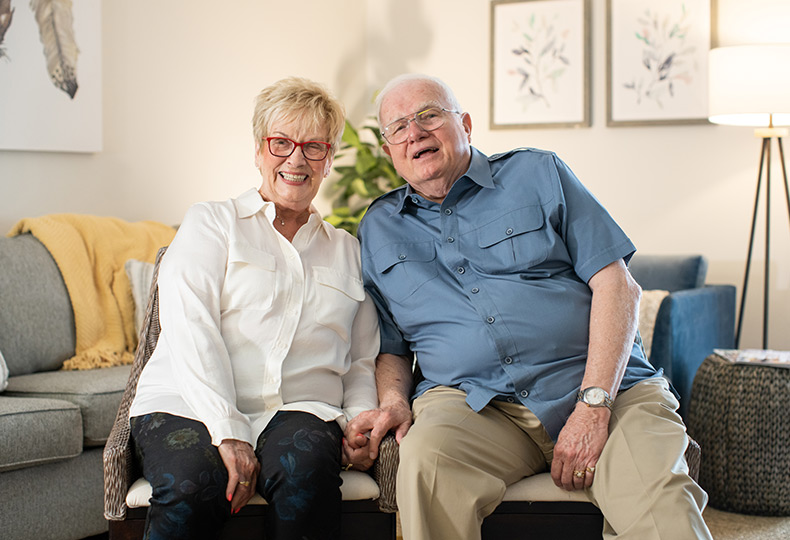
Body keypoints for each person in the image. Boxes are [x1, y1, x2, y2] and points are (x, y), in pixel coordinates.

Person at [348, 73, 713, 540]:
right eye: (398, 127)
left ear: (465, 124)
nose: (414, 132)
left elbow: (618, 286)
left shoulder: (537, 173)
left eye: (428, 115)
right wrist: (395, 401)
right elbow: (392, 346)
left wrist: (594, 405)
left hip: (606, 390)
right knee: (426, 463)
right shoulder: (378, 227)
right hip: (475, 406)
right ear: (389, 150)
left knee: (664, 514)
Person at [128, 77, 380, 540]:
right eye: (281, 143)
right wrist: (228, 429)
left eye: (314, 147)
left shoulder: (349, 251)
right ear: (259, 150)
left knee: (306, 473)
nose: (296, 160)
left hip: (300, 409)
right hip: (187, 403)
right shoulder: (212, 223)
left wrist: (362, 419)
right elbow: (190, 326)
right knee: (193, 485)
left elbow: (361, 359)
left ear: (329, 160)